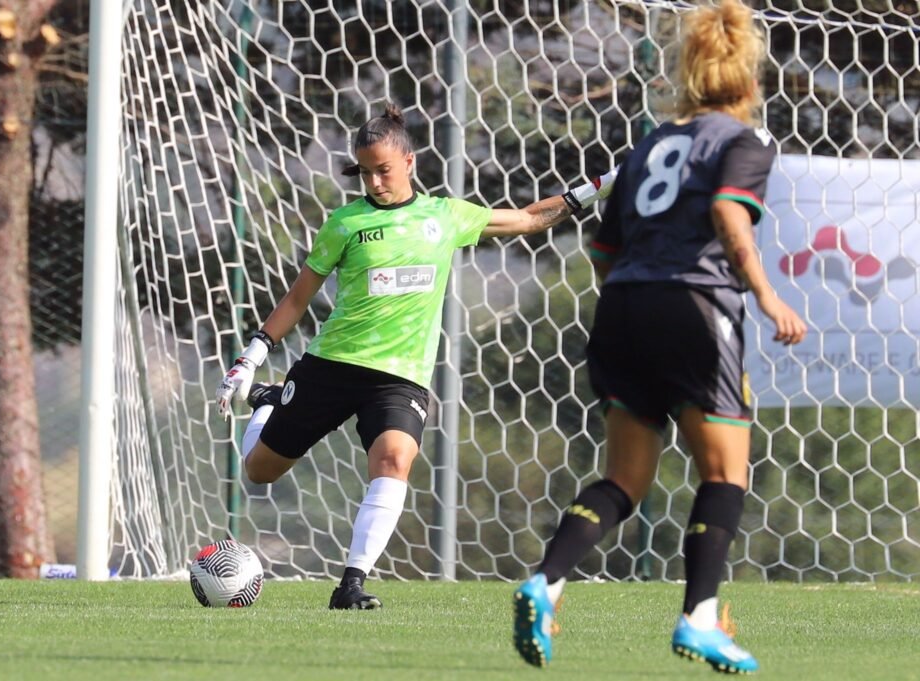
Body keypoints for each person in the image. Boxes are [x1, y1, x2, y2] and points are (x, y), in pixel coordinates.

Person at [216, 102, 617, 610]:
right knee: (260, 471)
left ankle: (351, 584)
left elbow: (531, 220)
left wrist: (600, 187)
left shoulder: (444, 216)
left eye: (382, 170)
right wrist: (254, 354)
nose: (375, 182)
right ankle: (271, 404)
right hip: (332, 365)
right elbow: (298, 298)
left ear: (409, 161)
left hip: (399, 377)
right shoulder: (345, 223)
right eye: (365, 173)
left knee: (394, 459)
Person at [511, 0, 807, 673]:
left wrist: (630, 297)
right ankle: (700, 617)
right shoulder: (747, 140)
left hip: (621, 307)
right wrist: (766, 295)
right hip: (695, 305)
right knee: (726, 469)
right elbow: (730, 212)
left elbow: (602, 241)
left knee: (623, 477)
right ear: (748, 76)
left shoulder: (648, 144)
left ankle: (544, 582)